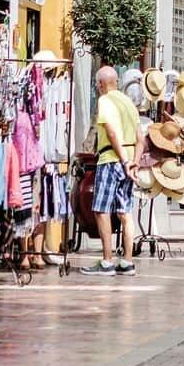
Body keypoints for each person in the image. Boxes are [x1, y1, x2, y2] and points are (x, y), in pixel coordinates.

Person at [78, 66, 140, 276]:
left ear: (101, 84)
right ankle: (128, 261)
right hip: (129, 160)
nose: (96, 87)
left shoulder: (105, 101)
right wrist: (134, 163)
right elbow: (141, 138)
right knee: (125, 212)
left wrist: (123, 161)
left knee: (101, 209)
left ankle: (107, 261)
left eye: (97, 84)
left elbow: (112, 132)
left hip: (111, 159)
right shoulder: (128, 103)